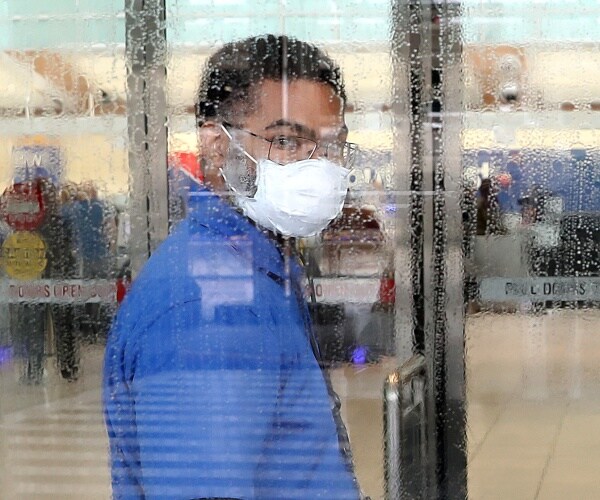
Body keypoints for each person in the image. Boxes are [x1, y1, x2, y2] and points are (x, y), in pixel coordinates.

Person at [103, 34, 361, 499]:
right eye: (287, 140)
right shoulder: (210, 304)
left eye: (331, 146)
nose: (319, 167)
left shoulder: (259, 271)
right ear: (216, 145)